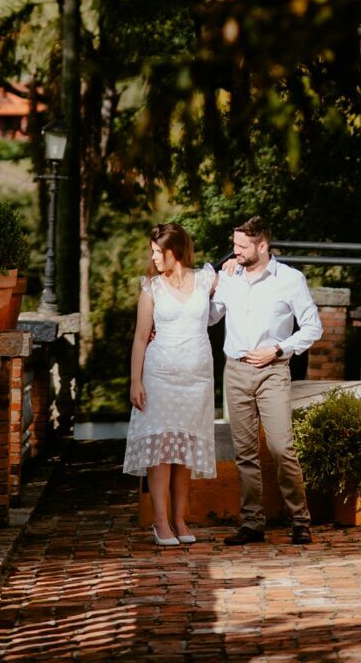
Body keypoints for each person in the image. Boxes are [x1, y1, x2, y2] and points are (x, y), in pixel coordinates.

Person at [212, 214, 322, 546]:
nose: (235, 251)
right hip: (235, 370)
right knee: (244, 452)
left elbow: (312, 327)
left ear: (263, 245)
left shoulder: (290, 279)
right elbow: (211, 317)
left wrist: (277, 349)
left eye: (242, 246)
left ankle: (300, 521)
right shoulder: (228, 277)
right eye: (234, 245)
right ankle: (252, 524)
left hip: (273, 371)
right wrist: (209, 286)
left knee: (280, 447)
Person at [123, 221, 220, 547]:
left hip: (197, 380)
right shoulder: (151, 289)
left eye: (157, 251)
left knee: (186, 450)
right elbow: (140, 338)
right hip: (160, 377)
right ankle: (161, 522)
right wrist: (135, 381)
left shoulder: (206, 279)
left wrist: (233, 263)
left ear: (174, 251)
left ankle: (180, 519)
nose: (153, 258)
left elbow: (238, 285)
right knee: (162, 450)